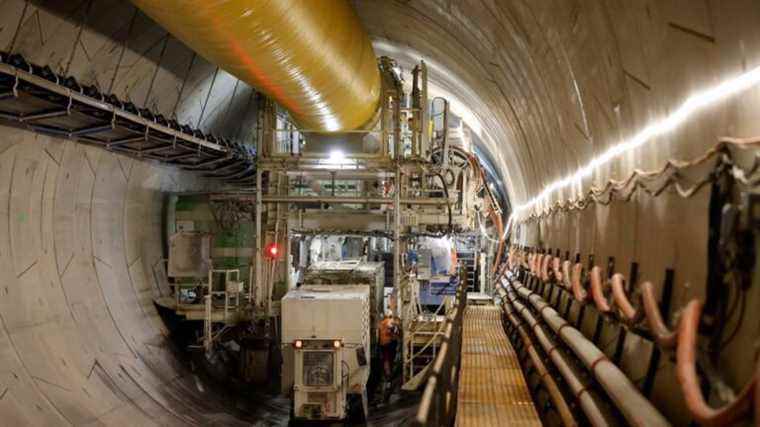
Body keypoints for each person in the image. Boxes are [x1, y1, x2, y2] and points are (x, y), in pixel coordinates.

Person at [378, 311, 399, 381]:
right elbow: (392, 329)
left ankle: (387, 373)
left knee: (386, 359)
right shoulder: (389, 321)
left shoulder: (381, 323)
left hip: (383, 343)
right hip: (389, 343)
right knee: (390, 359)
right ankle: (389, 374)